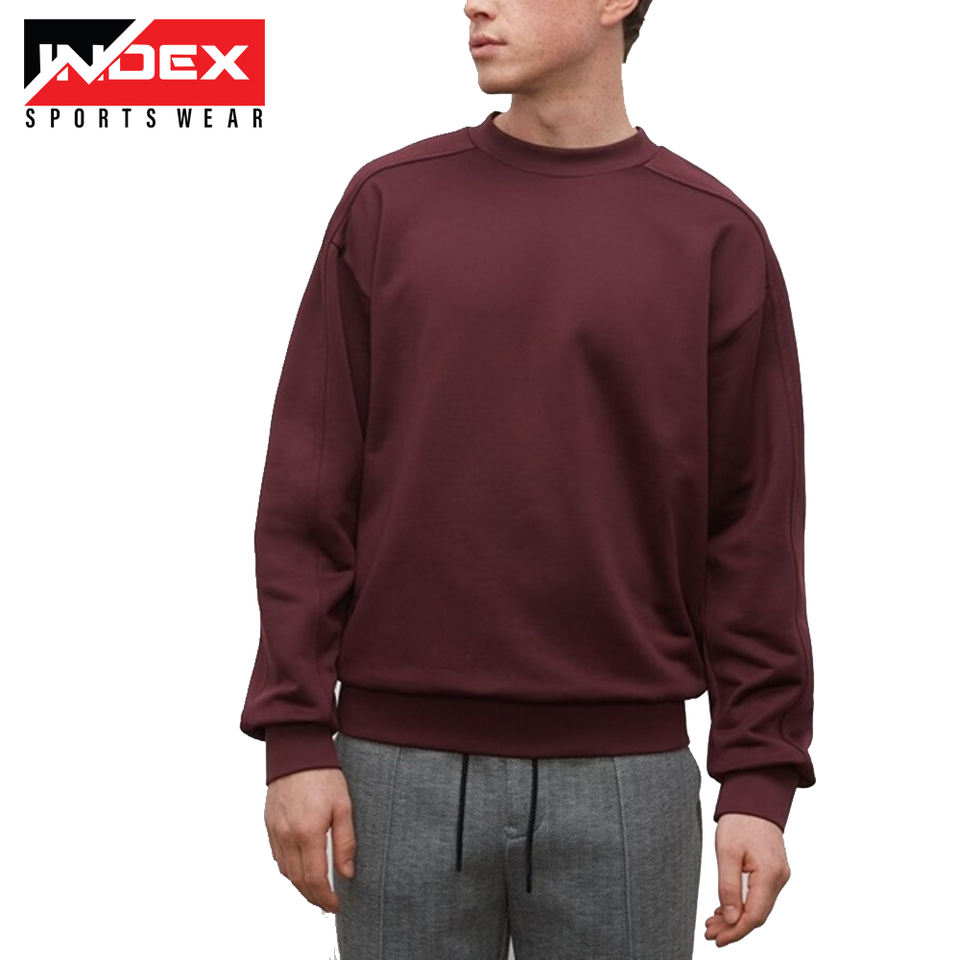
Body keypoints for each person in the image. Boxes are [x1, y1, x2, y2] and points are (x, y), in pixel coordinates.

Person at [239, 1, 816, 956]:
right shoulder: (388, 205)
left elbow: (752, 532)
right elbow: (309, 493)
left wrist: (758, 777)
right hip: (393, 774)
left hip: (628, 782)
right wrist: (295, 733)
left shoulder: (715, 236)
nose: (474, 2)